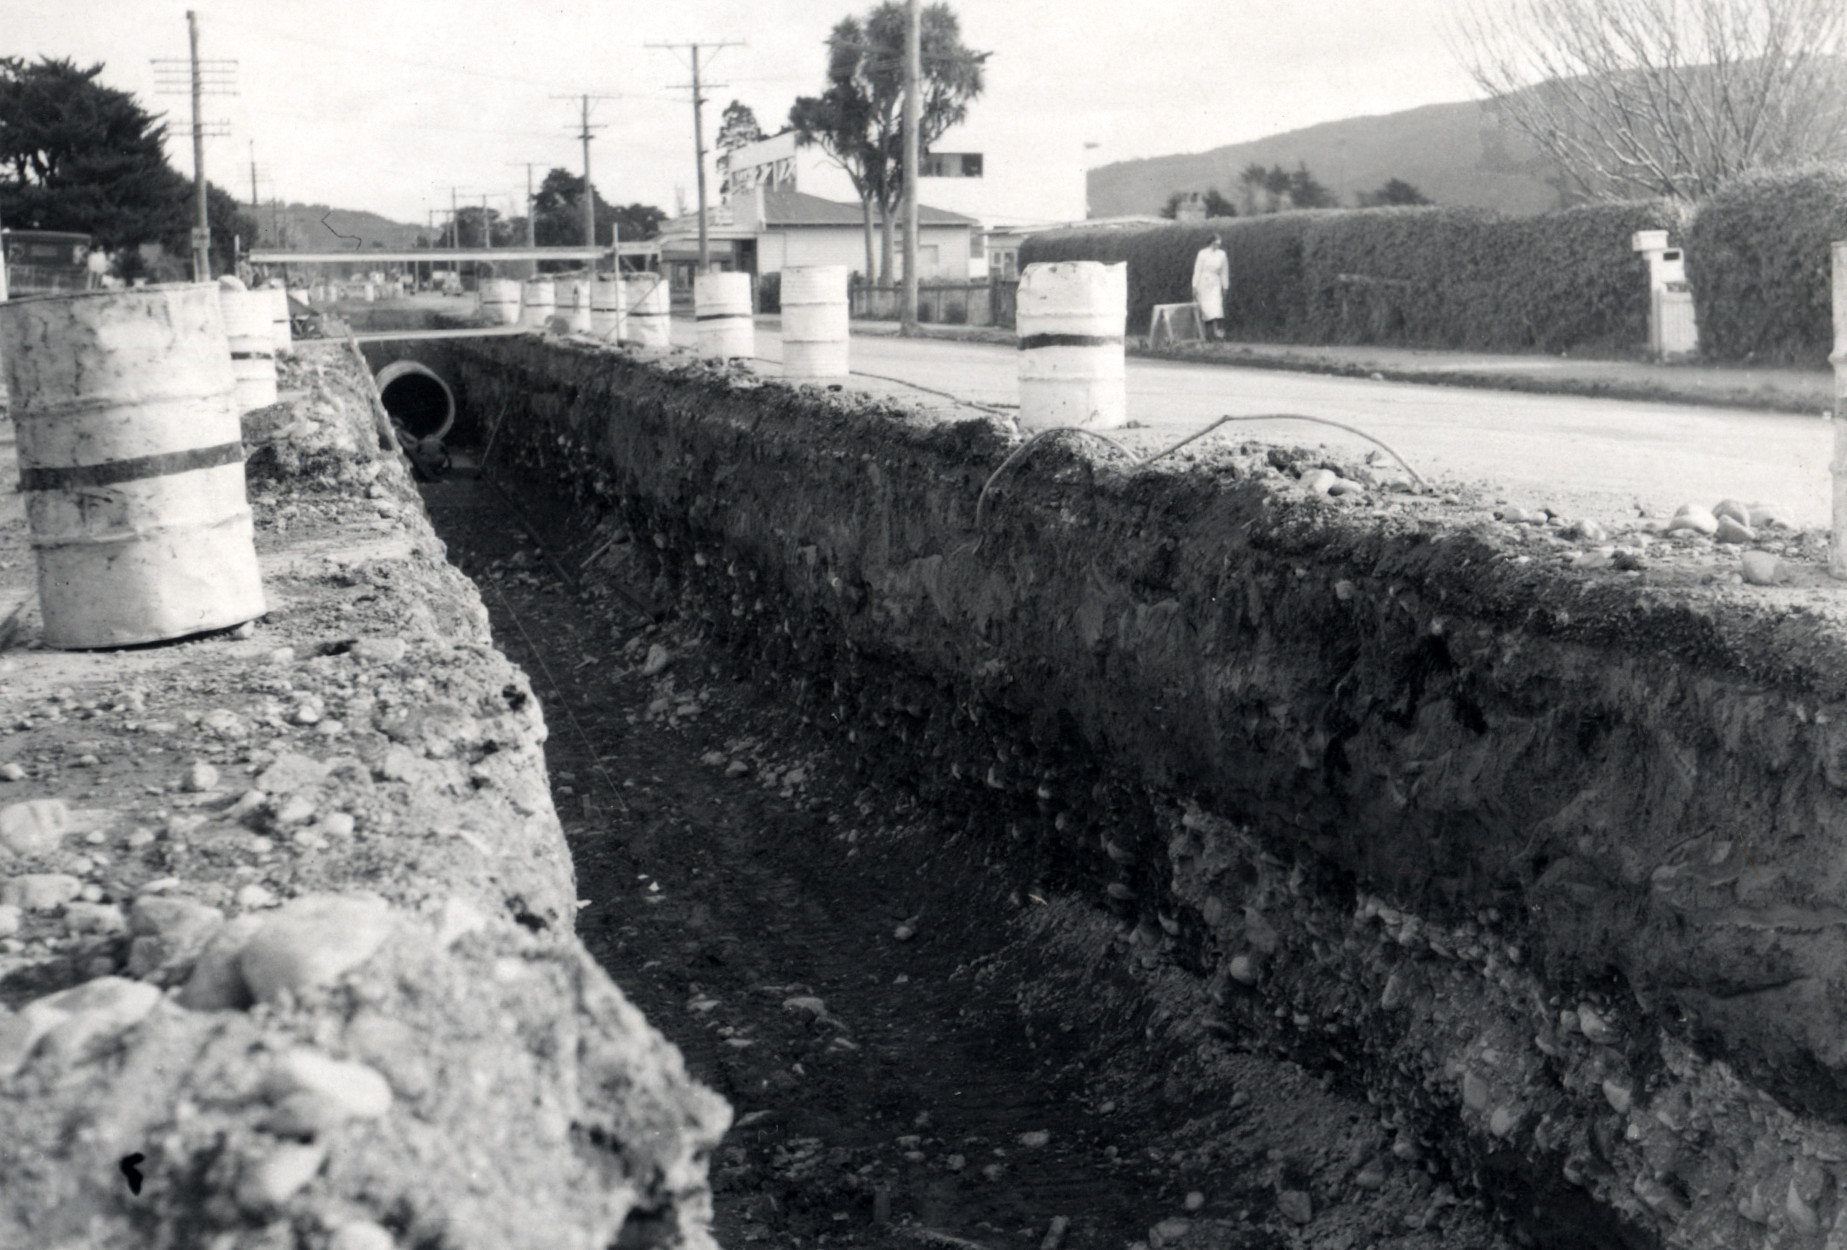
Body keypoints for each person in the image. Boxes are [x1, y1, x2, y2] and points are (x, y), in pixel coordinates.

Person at [1191, 233, 1230, 341]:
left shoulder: (1222, 254)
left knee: (1216, 308)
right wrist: (1194, 286)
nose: (1216, 246)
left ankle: (1216, 334)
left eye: (1218, 244)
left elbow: (1224, 271)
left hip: (1215, 283)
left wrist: (1225, 286)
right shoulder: (1202, 253)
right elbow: (1197, 270)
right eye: (1215, 243)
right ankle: (1207, 335)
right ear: (1211, 242)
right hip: (1203, 283)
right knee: (1206, 309)